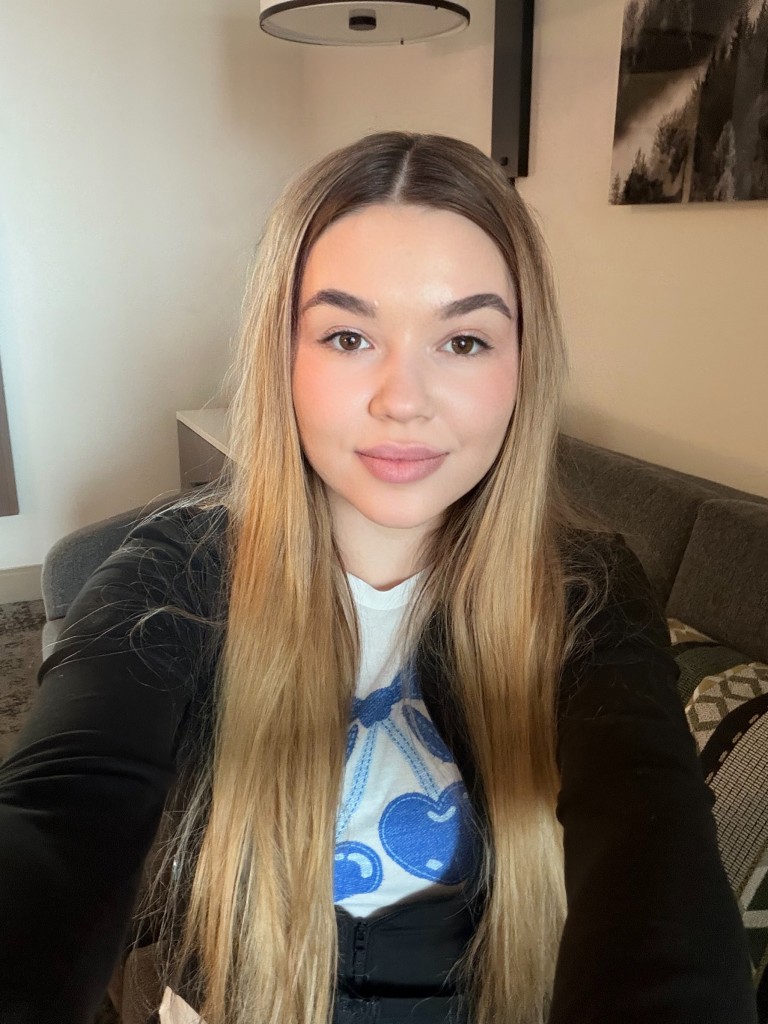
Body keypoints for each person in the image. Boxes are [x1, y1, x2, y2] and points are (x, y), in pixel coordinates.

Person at [0, 132, 757, 1024]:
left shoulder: (584, 590)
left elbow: (650, 835)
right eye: (349, 336)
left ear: (524, 366)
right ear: (284, 356)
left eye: (464, 340)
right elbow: (62, 809)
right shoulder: (178, 574)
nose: (403, 399)